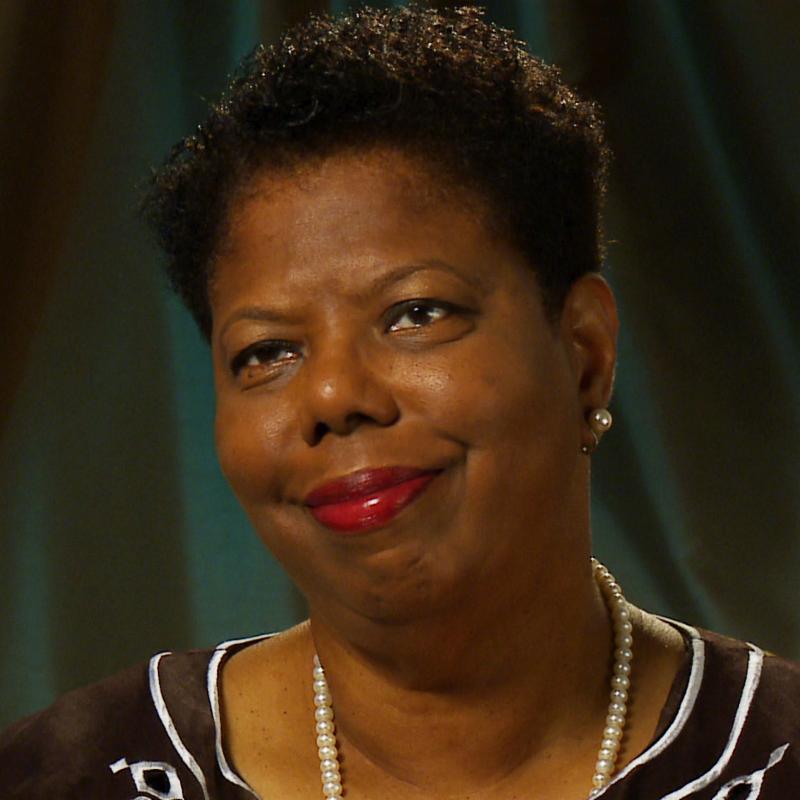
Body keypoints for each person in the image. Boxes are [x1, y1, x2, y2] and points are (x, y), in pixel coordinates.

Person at [2, 5, 798, 798]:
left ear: (586, 354)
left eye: (416, 313)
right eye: (267, 352)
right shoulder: (65, 775)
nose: (333, 395)